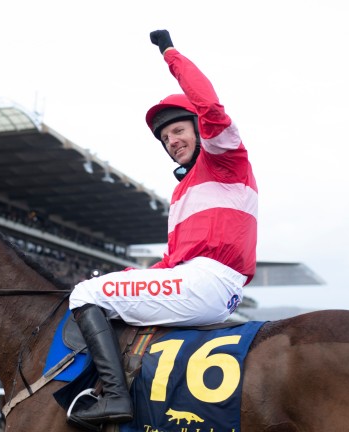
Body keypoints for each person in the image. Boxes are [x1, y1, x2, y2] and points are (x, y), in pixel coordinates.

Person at [67, 30, 258, 427]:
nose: (172, 140)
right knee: (109, 289)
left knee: (85, 293)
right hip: (199, 281)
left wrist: (171, 55)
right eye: (165, 137)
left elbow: (210, 106)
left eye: (178, 130)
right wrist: (130, 277)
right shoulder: (182, 192)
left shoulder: (225, 159)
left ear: (198, 129)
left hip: (209, 281)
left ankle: (114, 399)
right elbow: (172, 261)